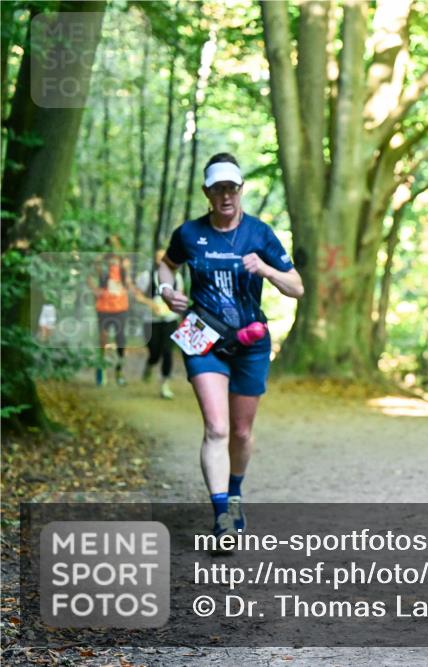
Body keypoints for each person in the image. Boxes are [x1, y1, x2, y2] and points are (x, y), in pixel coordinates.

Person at [157, 153, 303, 539]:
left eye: (232, 188)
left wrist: (267, 269)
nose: (225, 195)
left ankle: (234, 492)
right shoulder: (189, 234)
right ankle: (222, 516)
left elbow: (297, 287)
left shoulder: (260, 234)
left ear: (241, 190)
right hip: (201, 338)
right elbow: (166, 264)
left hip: (251, 343)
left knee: (240, 431)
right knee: (217, 428)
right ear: (207, 191)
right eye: (218, 188)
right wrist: (166, 290)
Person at [134, 249, 182, 399]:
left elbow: (180, 295)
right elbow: (137, 295)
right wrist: (151, 304)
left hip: (170, 319)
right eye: (159, 258)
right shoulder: (146, 276)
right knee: (154, 352)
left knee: (168, 351)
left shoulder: (177, 277)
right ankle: (150, 365)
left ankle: (164, 384)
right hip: (150, 320)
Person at [88, 235, 134, 387]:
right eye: (111, 244)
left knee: (121, 339)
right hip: (103, 305)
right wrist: (96, 290)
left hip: (121, 305)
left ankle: (119, 371)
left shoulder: (124, 261)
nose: (114, 247)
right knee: (103, 338)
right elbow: (89, 278)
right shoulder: (100, 261)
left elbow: (128, 282)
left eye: (116, 243)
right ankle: (101, 369)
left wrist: (127, 282)